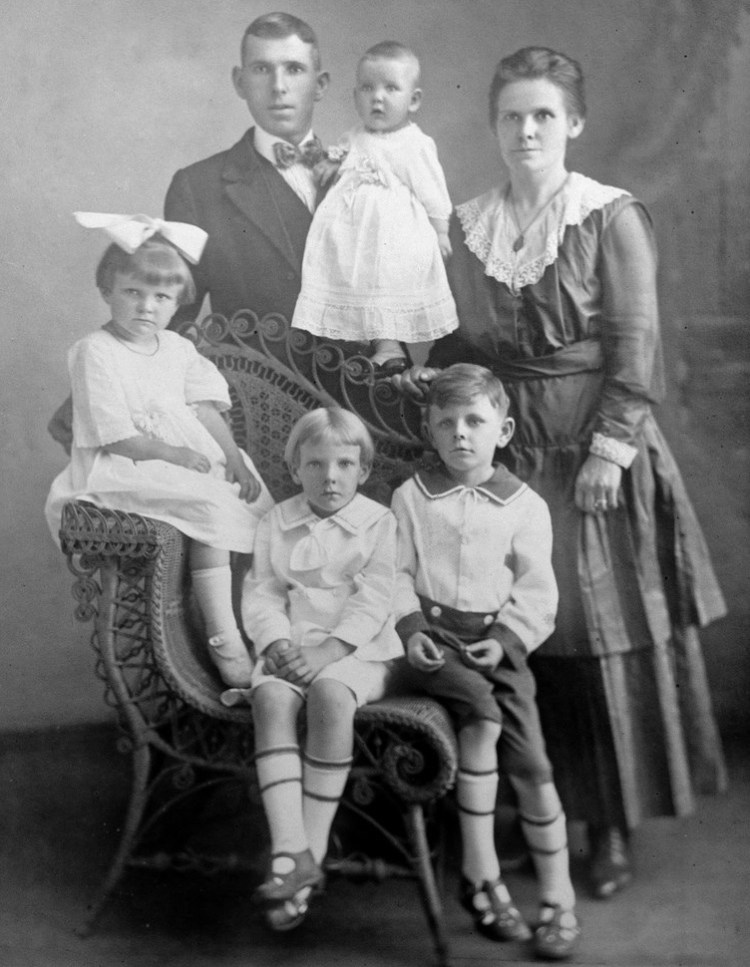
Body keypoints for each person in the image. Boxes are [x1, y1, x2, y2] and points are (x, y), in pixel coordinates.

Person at [394, 46, 727, 900]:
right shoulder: (467, 225)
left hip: (590, 456)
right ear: (494, 125)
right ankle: (522, 811)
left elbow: (635, 345)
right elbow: (459, 343)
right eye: (511, 115)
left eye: (544, 115)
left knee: (588, 640)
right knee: (507, 639)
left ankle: (603, 825)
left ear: (573, 123)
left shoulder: (609, 216)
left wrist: (612, 450)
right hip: (505, 459)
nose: (527, 130)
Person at [48, 12, 334, 454]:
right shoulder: (199, 186)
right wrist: (91, 398)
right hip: (256, 406)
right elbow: (170, 309)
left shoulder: (365, 176)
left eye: (294, 69)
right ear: (239, 81)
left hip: (357, 400)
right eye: (262, 69)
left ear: (320, 83)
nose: (278, 86)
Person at [392, 364, 580, 960]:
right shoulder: (412, 498)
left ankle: (558, 899)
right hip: (434, 646)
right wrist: (413, 627)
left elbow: (537, 590)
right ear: (430, 429)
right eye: (445, 423)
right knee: (478, 715)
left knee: (532, 766)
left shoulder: (524, 506)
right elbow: (391, 572)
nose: (460, 434)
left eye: (475, 420)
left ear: (503, 429)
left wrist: (505, 639)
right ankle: (486, 880)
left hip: (498, 647)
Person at [45, 212, 273, 687]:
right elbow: (113, 435)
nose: (146, 307)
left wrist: (232, 460)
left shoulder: (176, 348)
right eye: (133, 292)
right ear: (107, 291)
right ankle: (222, 637)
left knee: (250, 503)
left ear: (176, 305)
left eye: (161, 297)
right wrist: (176, 457)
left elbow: (208, 412)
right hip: (125, 465)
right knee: (209, 505)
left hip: (182, 458)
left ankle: (265, 628)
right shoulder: (96, 350)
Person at [233, 407, 402, 931]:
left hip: (358, 650)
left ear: (363, 470)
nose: (330, 476)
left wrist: (331, 651)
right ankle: (289, 852)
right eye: (315, 464)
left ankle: (312, 848)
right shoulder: (275, 522)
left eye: (344, 464)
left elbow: (377, 598)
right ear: (295, 468)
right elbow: (262, 594)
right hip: (292, 645)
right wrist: (277, 642)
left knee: (330, 696)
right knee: (270, 698)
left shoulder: (379, 522)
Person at [290, 41, 458, 373]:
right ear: (355, 97)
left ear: (413, 100)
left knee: (382, 286)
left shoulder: (414, 143)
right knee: (347, 282)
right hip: (351, 234)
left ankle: (389, 346)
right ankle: (344, 339)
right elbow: (342, 160)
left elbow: (433, 190)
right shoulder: (354, 136)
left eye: (391, 88)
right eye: (367, 88)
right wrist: (328, 165)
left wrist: (440, 231)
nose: (377, 97)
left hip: (391, 237)